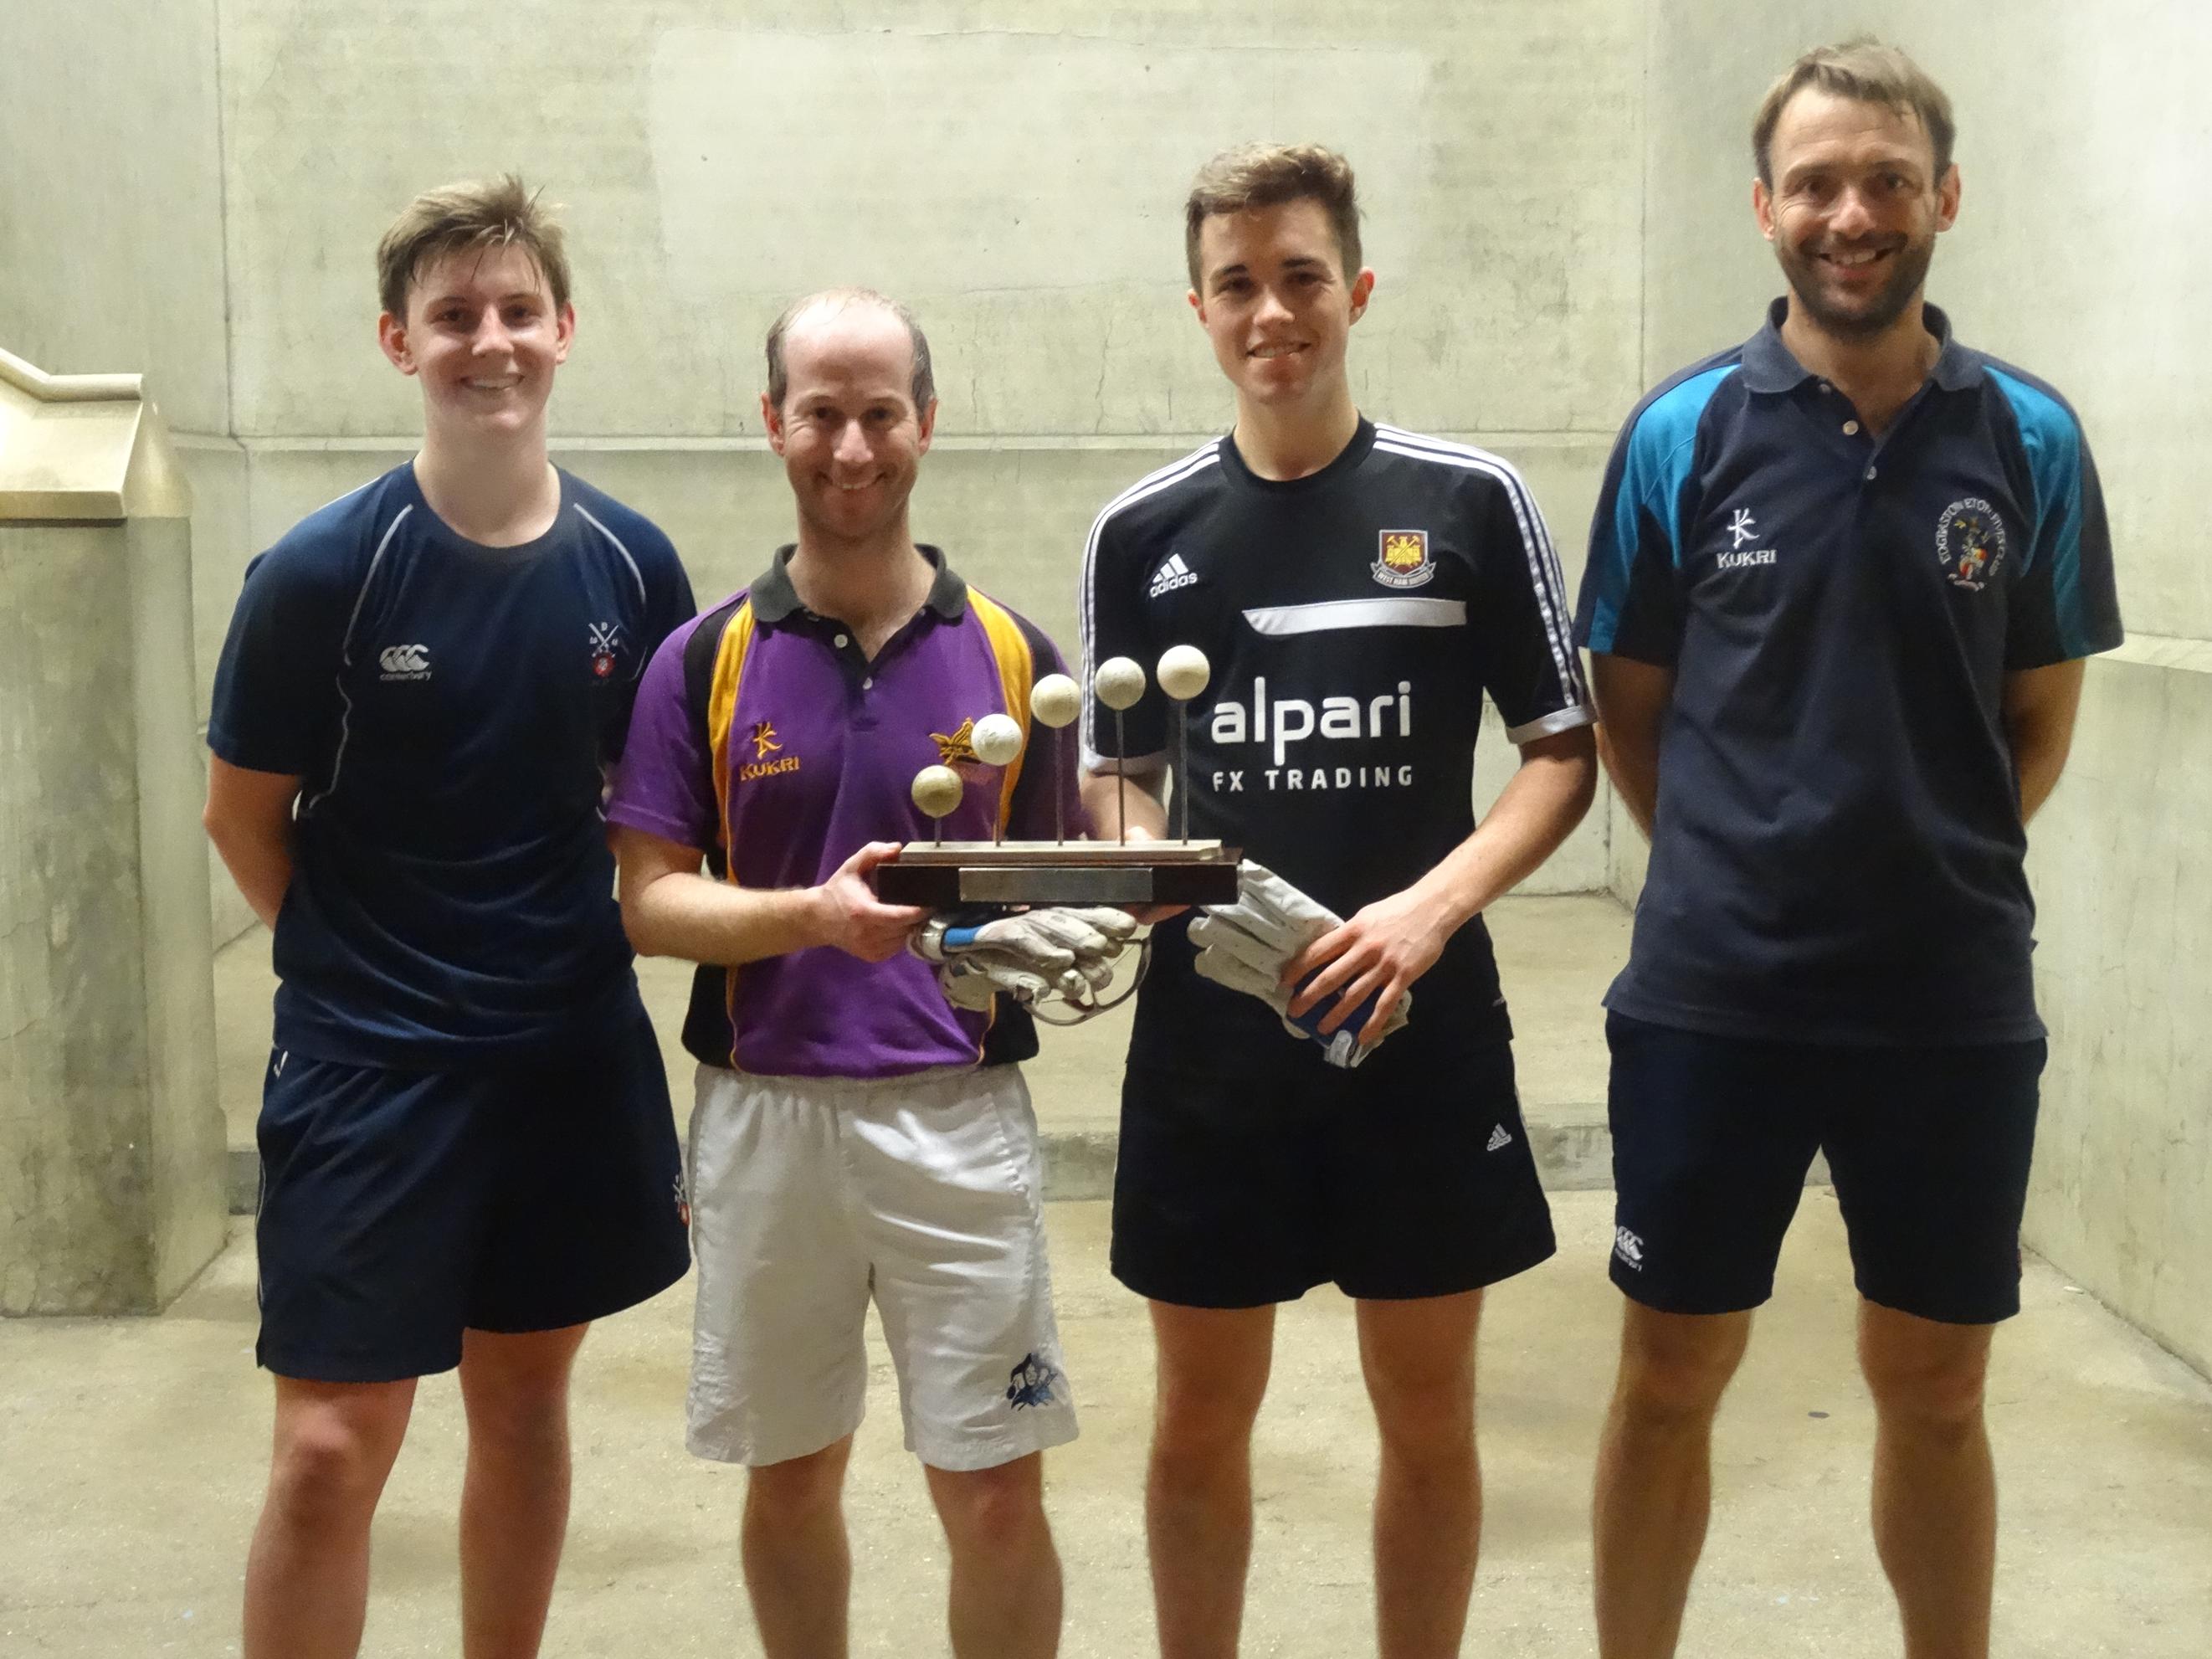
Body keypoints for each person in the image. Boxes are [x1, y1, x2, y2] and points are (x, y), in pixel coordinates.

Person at [1571, 40, 2123, 1659]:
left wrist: (1922, 866)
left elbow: (2036, 713)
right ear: (1766, 210)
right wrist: (1745, 869)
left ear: (1943, 196)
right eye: (1816, 181)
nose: (1852, 210)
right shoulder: (1681, 433)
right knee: (1670, 1375)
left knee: (1938, 1388)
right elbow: (1631, 707)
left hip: (1949, 1000)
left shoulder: (2030, 436)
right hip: (1711, 995)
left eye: (1887, 177)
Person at [1078, 144, 1599, 1659]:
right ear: (1199, 306)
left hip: (1417, 1027)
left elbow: (1561, 758)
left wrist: (1425, 916)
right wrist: (1145, 877)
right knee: (1196, 1417)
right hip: (1211, 1046)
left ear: (1355, 288)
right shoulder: (1141, 533)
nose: (1271, 311)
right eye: (1237, 283)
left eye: (1301, 276)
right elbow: (1124, 779)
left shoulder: (1470, 501)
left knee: (1428, 1415)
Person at [203, 177, 695, 1659]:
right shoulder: (319, 575)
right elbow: (244, 817)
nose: (490, 341)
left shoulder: (633, 567)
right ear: (395, 341)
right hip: (370, 1073)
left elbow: (648, 813)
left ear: (563, 331)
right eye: (452, 316)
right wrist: (368, 977)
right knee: (328, 1453)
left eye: (516, 312)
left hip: (568, 1059)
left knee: (527, 1408)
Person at [608, 288, 1102, 1659]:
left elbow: (1057, 879)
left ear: (926, 425)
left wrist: (1125, 890)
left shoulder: (1015, 660)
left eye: (879, 411)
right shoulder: (700, 660)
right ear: (774, 422)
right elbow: (651, 902)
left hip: (958, 1118)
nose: (850, 444)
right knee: (791, 1473)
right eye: (819, 411)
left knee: (995, 1491)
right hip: (767, 1120)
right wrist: (814, 918)